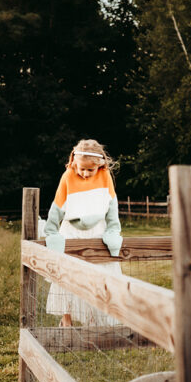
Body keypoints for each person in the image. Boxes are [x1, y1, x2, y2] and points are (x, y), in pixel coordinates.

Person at [43, 139, 123, 327]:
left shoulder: (105, 177)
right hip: (72, 231)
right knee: (67, 273)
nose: (85, 173)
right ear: (74, 162)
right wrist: (52, 231)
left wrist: (113, 230)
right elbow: (57, 206)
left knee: (99, 273)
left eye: (90, 170)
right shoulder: (68, 176)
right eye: (82, 169)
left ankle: (94, 318)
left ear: (99, 165)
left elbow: (112, 207)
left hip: (97, 231)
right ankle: (67, 319)